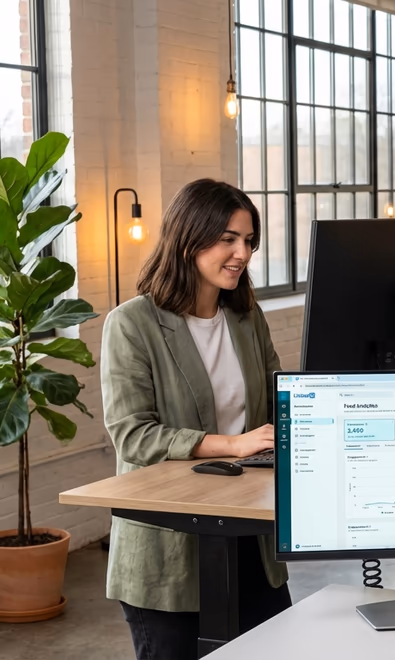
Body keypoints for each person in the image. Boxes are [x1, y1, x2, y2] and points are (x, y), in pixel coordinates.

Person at [101, 179, 290, 659]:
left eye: (248, 240)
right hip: (169, 549)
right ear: (189, 237)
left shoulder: (246, 317)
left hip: (249, 537)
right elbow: (133, 436)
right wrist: (233, 444)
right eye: (227, 238)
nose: (241, 252)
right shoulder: (132, 324)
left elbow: (277, 405)